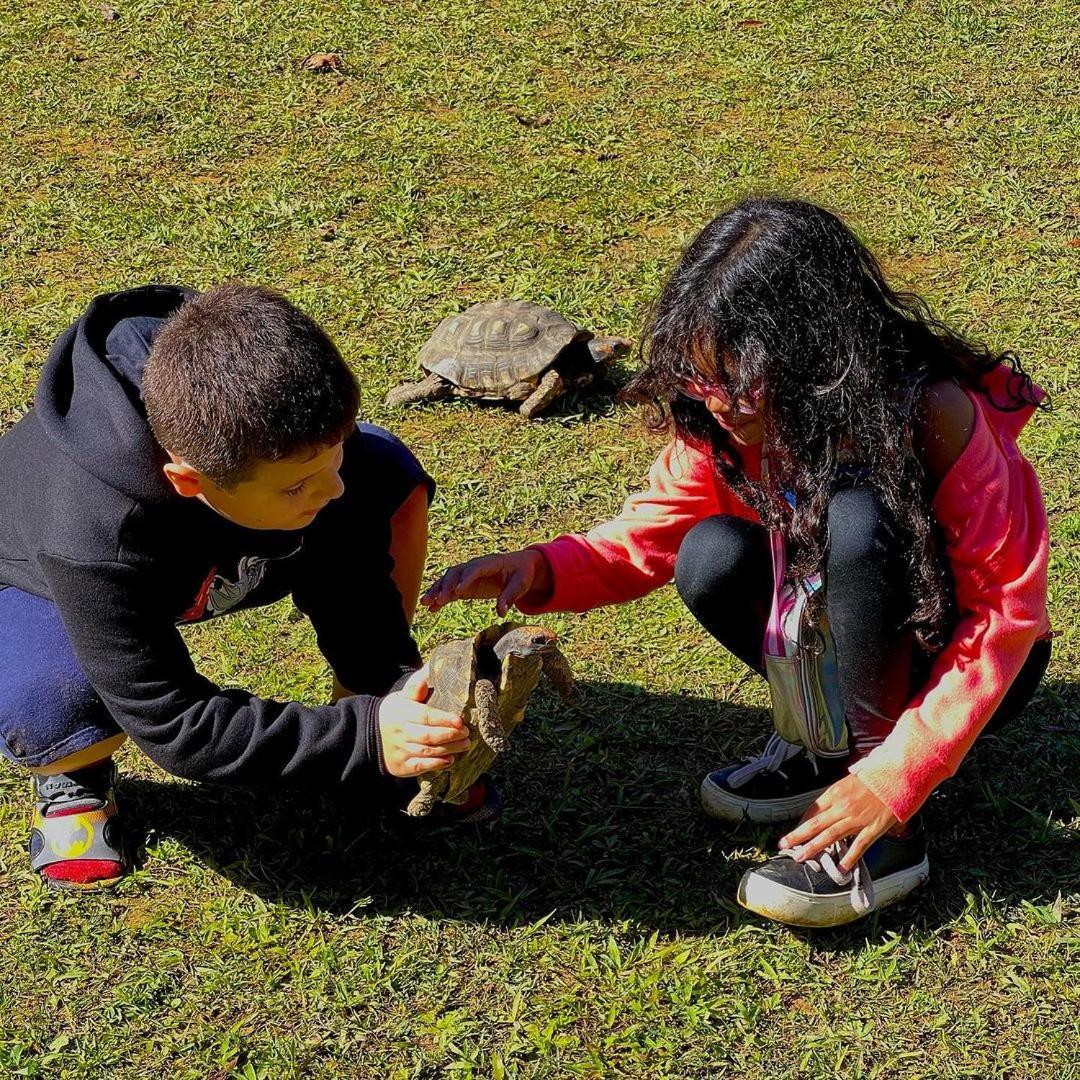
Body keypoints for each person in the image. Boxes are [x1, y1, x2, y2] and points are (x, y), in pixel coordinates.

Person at [422, 198, 1053, 927]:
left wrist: (898, 775)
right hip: (837, 631)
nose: (720, 407)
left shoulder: (932, 411)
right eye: (700, 385)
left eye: (741, 386)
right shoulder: (723, 416)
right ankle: (826, 745)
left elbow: (1004, 615)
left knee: (857, 518)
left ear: (818, 359)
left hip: (956, 652)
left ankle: (887, 829)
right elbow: (654, 531)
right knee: (710, 555)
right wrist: (540, 568)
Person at [0, 282, 490, 893]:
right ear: (187, 479)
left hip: (232, 537)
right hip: (43, 584)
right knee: (49, 701)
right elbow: (174, 724)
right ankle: (72, 775)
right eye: (297, 486)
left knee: (384, 476)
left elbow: (354, 570)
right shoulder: (89, 532)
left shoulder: (275, 430)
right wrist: (360, 740)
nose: (332, 488)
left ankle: (377, 700)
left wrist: (381, 701)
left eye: (334, 454)